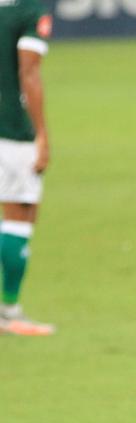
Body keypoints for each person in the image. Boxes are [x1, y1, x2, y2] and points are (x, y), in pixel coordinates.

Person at [0, 0, 54, 335]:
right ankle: (9, 311)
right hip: (12, 130)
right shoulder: (30, 11)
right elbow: (28, 71)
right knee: (20, 213)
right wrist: (42, 135)